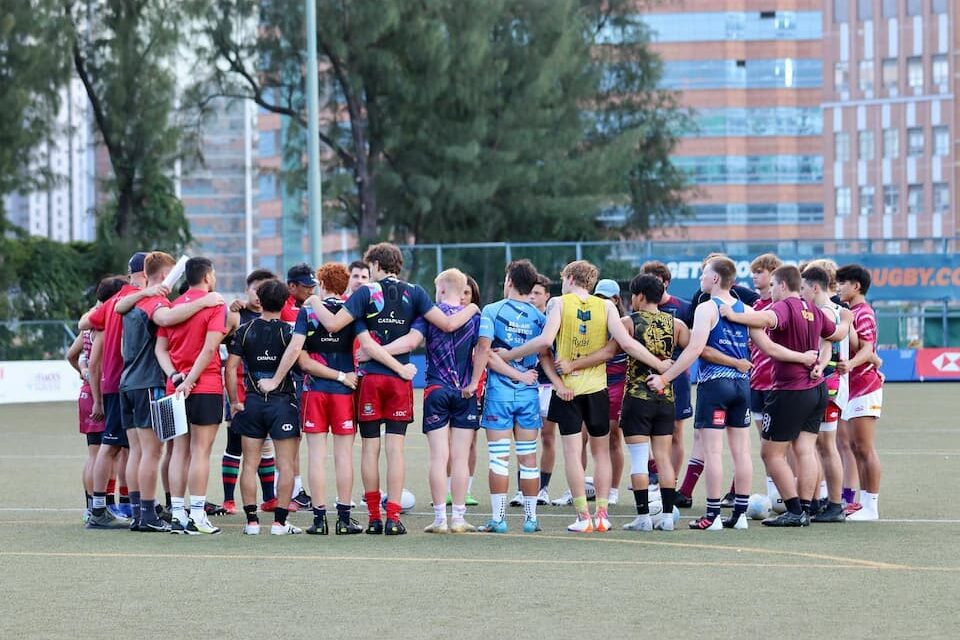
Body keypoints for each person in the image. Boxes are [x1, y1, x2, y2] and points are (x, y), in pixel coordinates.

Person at [264, 242, 478, 535]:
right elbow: (448, 324)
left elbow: (336, 325)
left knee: (369, 449)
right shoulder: (415, 292)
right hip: (398, 382)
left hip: (369, 380)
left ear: (376, 265)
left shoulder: (366, 293)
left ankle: (373, 517)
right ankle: (393, 518)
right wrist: (475, 307)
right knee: (396, 450)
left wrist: (313, 302)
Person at [497, 260, 668, 533]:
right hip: (598, 389)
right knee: (601, 453)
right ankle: (602, 515)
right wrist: (659, 365)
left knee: (573, 455)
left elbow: (544, 343)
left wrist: (508, 355)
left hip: (568, 390)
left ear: (571, 278)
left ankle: (583, 516)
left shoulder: (559, 303)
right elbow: (625, 343)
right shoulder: (607, 305)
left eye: (563, 278)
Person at [720, 265, 841, 527]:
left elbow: (764, 321)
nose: (771, 291)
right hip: (817, 388)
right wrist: (848, 320)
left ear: (783, 285)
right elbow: (835, 334)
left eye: (773, 285)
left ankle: (795, 510)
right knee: (805, 449)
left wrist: (732, 315)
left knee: (770, 453)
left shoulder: (784, 307)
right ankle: (806, 509)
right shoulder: (814, 310)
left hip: (790, 390)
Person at [647, 257, 757, 531]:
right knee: (742, 451)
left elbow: (694, 350)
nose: (701, 279)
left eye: (704, 274)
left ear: (716, 279)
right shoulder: (745, 309)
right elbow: (760, 343)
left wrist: (664, 378)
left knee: (713, 452)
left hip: (715, 385)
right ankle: (740, 515)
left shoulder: (707, 307)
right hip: (742, 385)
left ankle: (713, 516)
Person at [462, 260, 548, 533]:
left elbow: (485, 351)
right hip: (529, 395)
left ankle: (498, 519)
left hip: (499, 393)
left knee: (499, 458)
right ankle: (530, 519)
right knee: (529, 457)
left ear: (509, 281)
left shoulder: (492, 310)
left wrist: (475, 381)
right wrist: (526, 376)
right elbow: (545, 354)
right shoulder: (539, 318)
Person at [155, 257, 229, 534]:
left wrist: (176, 377)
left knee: (179, 452)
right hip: (205, 386)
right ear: (208, 276)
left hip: (174, 387)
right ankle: (197, 515)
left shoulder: (172, 306)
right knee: (200, 452)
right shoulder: (214, 304)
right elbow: (210, 349)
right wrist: (191, 380)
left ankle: (177, 513)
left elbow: (160, 350)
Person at [225, 279, 303, 535]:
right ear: (284, 302)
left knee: (249, 463)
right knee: (286, 465)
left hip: (253, 403)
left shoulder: (245, 330)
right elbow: (304, 365)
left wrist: (235, 401)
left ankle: (252, 522)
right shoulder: (290, 332)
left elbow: (231, 368)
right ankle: (280, 523)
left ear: (260, 299)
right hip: (282, 404)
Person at [411, 269, 482, 533]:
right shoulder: (475, 318)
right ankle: (459, 518)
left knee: (439, 457)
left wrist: (381, 351)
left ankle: (440, 518)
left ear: (440, 289)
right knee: (461, 458)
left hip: (436, 389)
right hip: (464, 391)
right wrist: (474, 382)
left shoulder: (428, 316)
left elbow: (412, 341)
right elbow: (485, 349)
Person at [295, 263, 363, 535]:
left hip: (315, 390)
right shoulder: (353, 311)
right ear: (345, 286)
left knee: (316, 455)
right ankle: (345, 519)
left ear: (321, 285)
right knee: (344, 456)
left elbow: (303, 360)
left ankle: (319, 518)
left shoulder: (309, 310)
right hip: (345, 391)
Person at [618, 274, 688, 531]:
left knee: (638, 460)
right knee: (664, 459)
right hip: (665, 397)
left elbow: (609, 351)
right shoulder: (677, 324)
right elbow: (692, 352)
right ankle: (668, 517)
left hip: (637, 397)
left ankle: (643, 517)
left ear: (640, 296)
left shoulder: (629, 322)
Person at [80, 256, 146, 528]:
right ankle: (98, 510)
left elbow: (83, 325)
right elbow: (91, 357)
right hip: (118, 386)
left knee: (123, 448)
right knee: (109, 448)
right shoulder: (122, 305)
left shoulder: (112, 306)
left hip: (118, 386)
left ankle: (118, 506)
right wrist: (96, 397)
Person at [222, 269, 279, 514]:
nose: (258, 295)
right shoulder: (236, 315)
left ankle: (269, 498)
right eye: (255, 289)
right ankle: (228, 499)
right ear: (247, 289)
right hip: (241, 391)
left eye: (264, 290)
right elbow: (219, 341)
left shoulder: (279, 315)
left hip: (268, 392)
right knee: (235, 445)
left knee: (266, 446)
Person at [800, 262, 852, 522]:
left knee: (826, 446)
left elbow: (827, 346)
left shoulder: (827, 312)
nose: (801, 294)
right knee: (820, 445)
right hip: (829, 382)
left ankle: (834, 503)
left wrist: (821, 366)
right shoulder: (835, 311)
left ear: (815, 287)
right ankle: (824, 501)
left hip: (829, 384)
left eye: (803, 288)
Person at [641, 261, 694, 508]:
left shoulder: (683, 308)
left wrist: (670, 368)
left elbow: (693, 346)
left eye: (657, 280)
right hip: (641, 379)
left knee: (675, 432)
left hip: (677, 380)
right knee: (643, 431)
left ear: (666, 283)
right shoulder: (636, 314)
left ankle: (668, 486)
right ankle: (654, 477)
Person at [836, 263, 884, 521]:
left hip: (865, 386)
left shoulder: (863, 313)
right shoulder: (851, 312)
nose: (839, 287)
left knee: (864, 448)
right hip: (855, 388)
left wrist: (851, 365)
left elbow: (867, 349)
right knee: (855, 447)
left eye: (842, 283)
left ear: (856, 286)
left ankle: (871, 506)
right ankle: (863, 503)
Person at [281, 262, 317, 510]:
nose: (310, 291)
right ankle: (292, 490)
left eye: (312, 286)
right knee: (289, 437)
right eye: (306, 287)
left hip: (302, 378)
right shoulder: (281, 306)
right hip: (286, 381)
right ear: (291, 286)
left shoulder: (309, 306)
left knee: (297, 436)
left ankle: (295, 489)